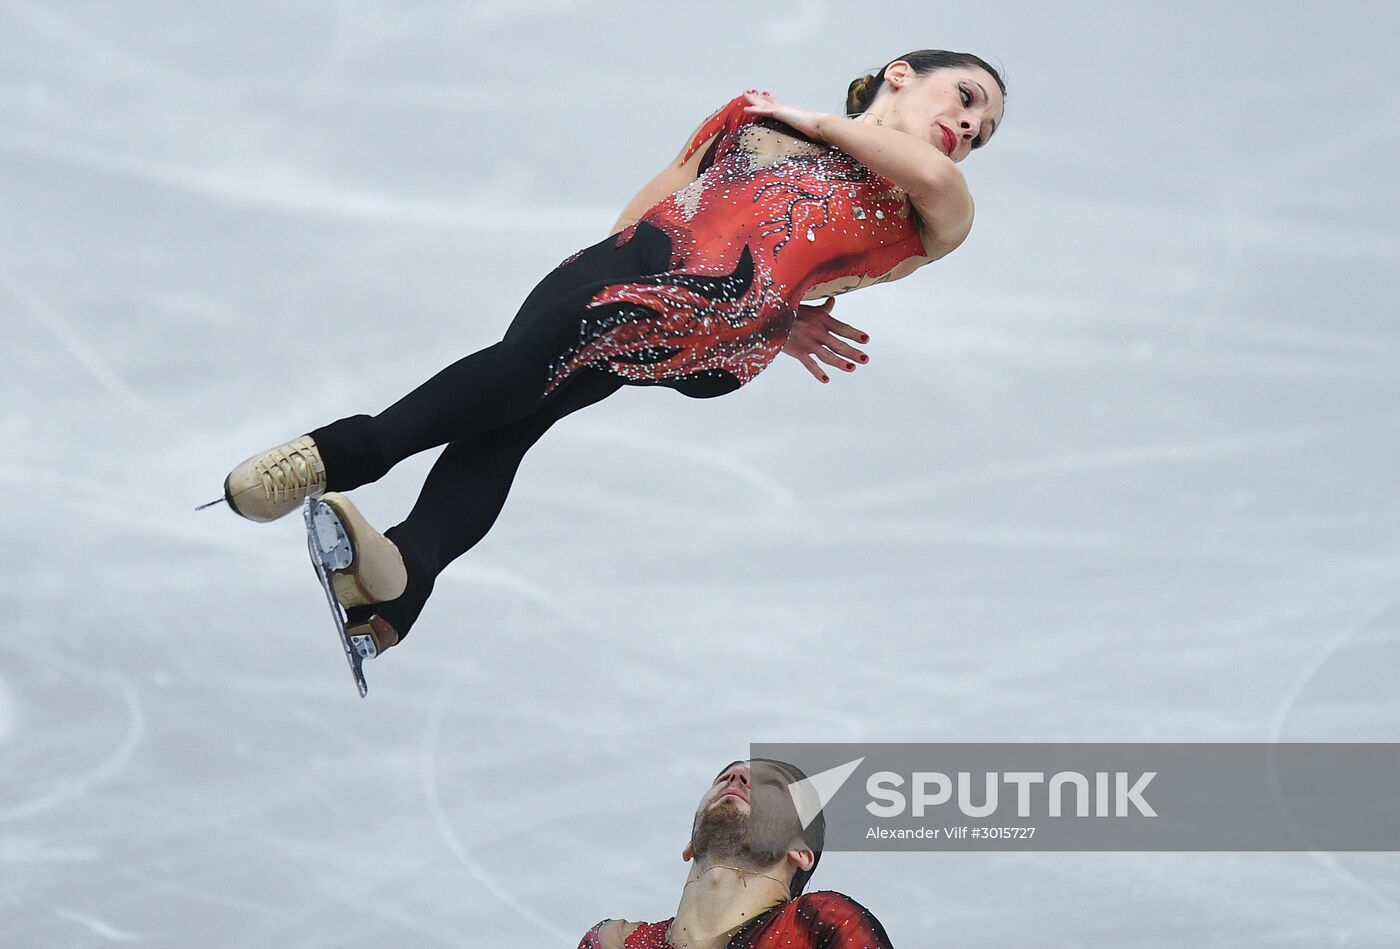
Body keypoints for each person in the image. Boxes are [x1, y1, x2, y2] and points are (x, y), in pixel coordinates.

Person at [216, 50, 1006, 656]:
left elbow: (923, 171)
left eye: (984, 131)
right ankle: (402, 582)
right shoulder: (750, 115)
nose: (970, 128)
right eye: (966, 98)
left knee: (561, 349)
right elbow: (660, 195)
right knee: (513, 410)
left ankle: (348, 450)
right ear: (901, 75)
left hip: (726, 306)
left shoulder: (932, 208)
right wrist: (598, 265)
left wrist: (780, 301)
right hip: (632, 265)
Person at [578, 759, 894, 949]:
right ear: (690, 844)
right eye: (724, 777)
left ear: (800, 851)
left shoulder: (817, 924)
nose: (738, 776)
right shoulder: (612, 942)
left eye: (772, 787)